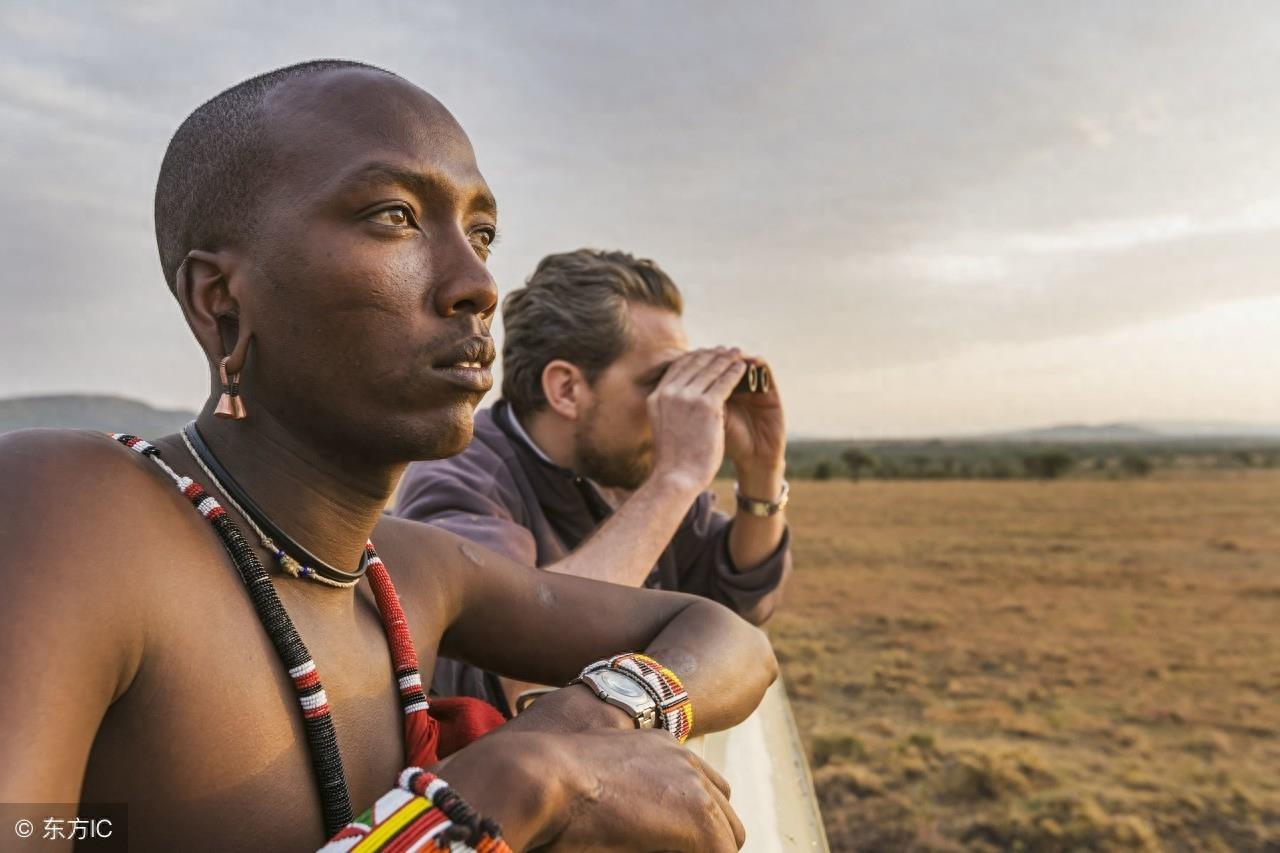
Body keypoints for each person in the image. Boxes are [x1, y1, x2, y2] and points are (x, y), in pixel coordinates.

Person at [0, 61, 776, 853]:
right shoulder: (72, 515)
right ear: (219, 300)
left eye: (482, 233)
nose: (477, 284)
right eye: (393, 215)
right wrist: (507, 786)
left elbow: (727, 638)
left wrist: (593, 714)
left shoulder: (410, 571)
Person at [397, 249, 792, 714]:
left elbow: (739, 605)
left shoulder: (626, 468)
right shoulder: (462, 472)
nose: (674, 403)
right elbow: (497, 669)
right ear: (566, 389)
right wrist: (675, 479)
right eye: (660, 381)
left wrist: (763, 472)